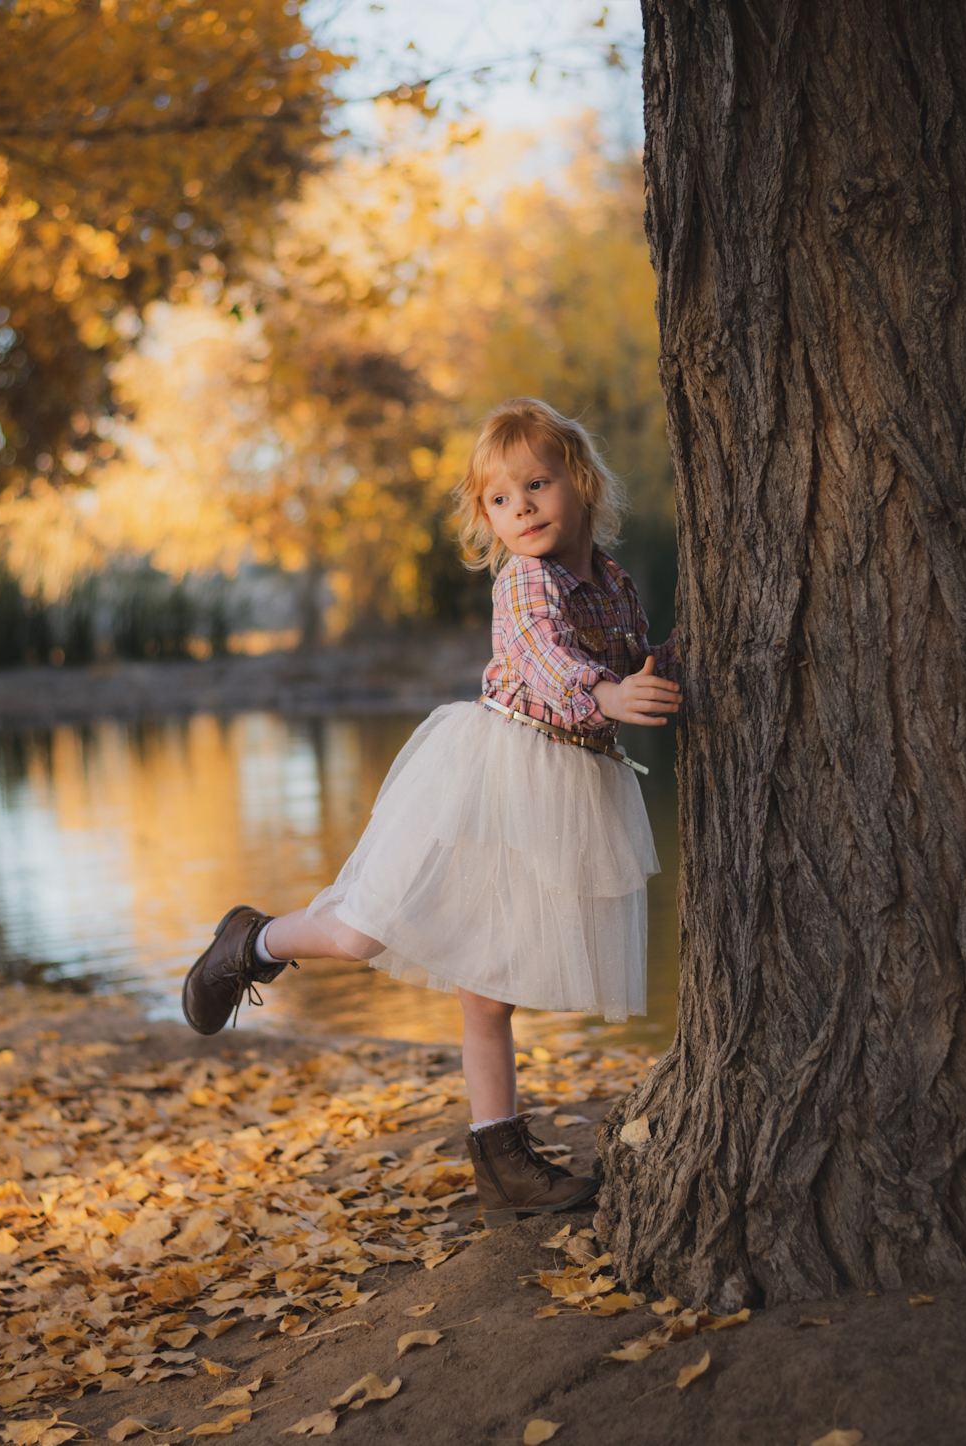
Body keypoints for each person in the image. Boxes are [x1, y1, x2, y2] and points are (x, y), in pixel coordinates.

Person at [180, 398, 679, 1220]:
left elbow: (633, 657)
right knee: (364, 929)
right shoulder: (525, 580)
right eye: (500, 498)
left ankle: (501, 1160)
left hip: (560, 790)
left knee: (489, 988)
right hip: (486, 778)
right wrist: (607, 693)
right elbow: (547, 658)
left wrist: (663, 668)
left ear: (582, 482)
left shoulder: (615, 581)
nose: (521, 508)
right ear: (486, 517)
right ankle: (251, 941)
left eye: (538, 484)